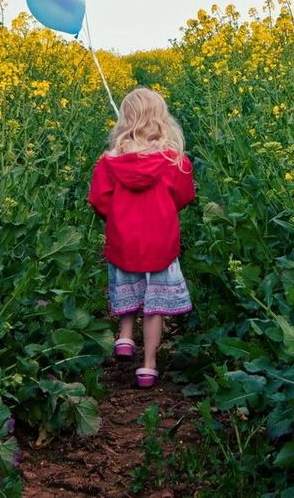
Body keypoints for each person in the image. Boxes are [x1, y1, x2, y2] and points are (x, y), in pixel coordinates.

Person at [88, 87, 196, 388]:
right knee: (154, 306)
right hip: (160, 243)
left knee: (128, 290)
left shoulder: (109, 161)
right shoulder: (175, 160)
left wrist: (118, 216)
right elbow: (185, 196)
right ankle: (148, 366)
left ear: (125, 119)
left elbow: (98, 199)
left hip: (124, 240)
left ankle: (124, 337)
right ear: (161, 119)